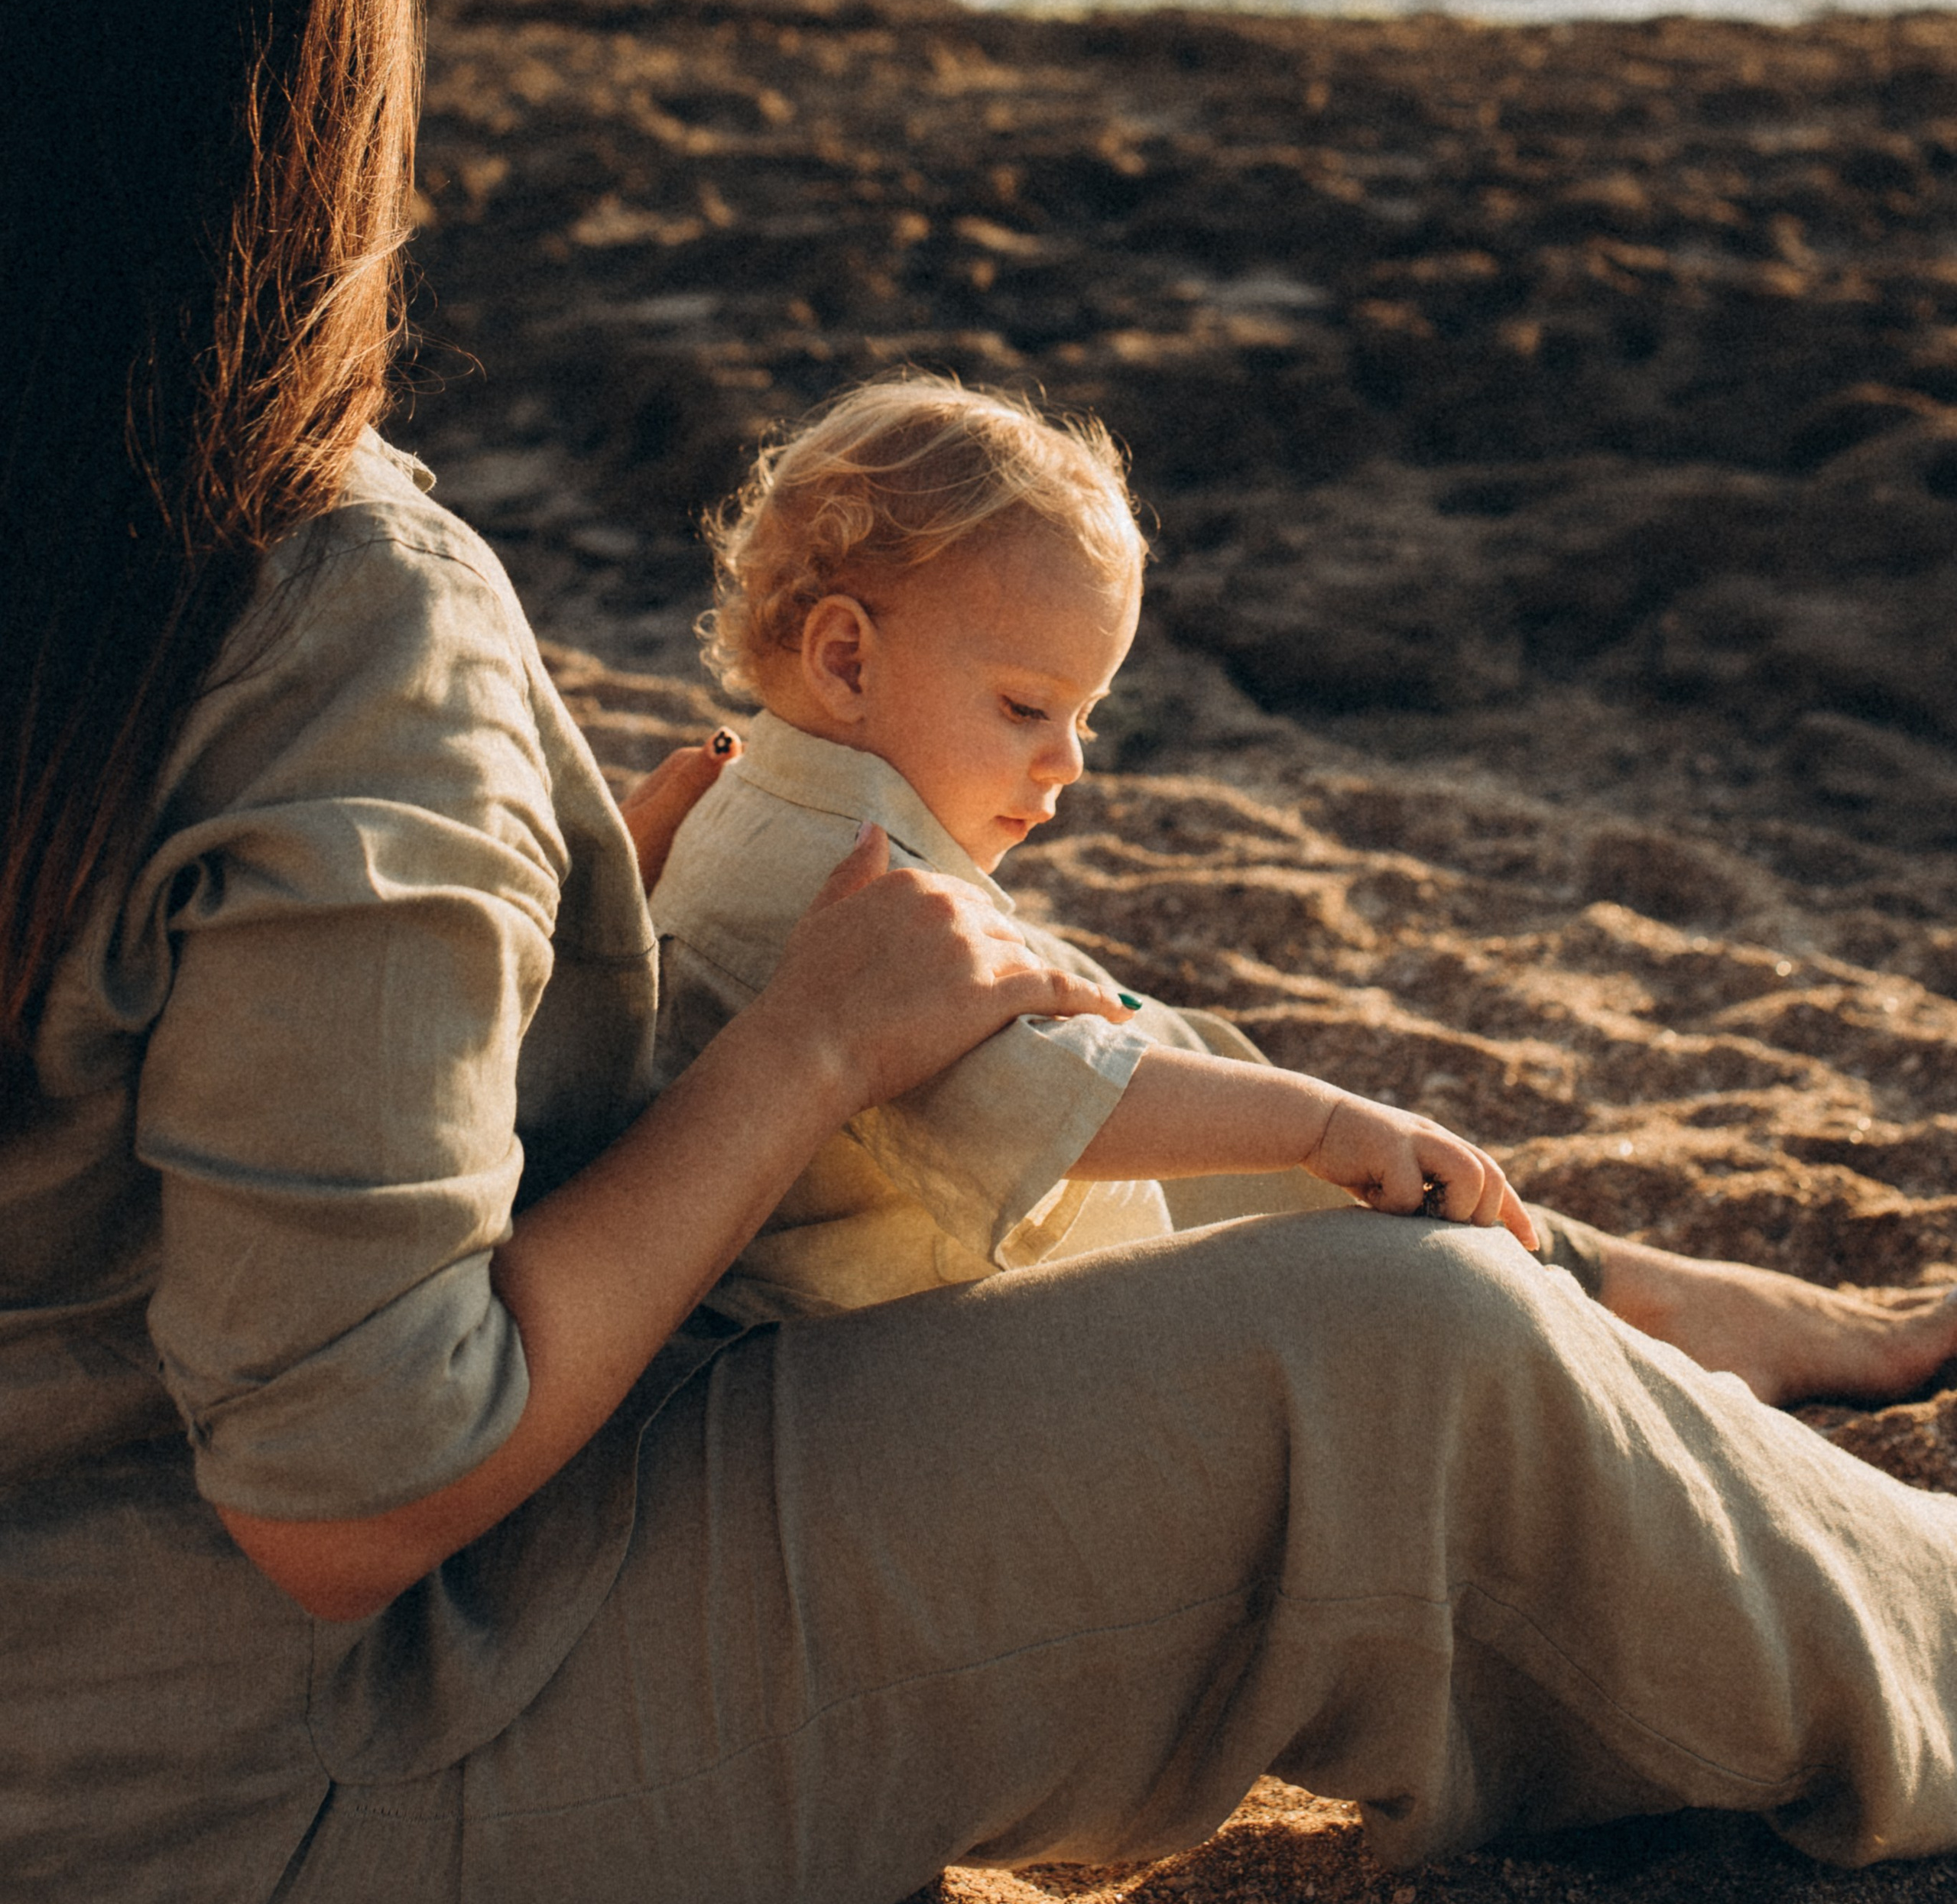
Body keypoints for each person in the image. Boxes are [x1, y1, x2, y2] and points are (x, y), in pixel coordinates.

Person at [6, 0, 1957, 1904]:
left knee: (1117, 1055)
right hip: (267, 1787)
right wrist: (795, 1053)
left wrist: (554, 950)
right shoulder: (317, 585)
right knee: (1400, 1367)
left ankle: (1685, 1348)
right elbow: (353, 1486)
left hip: (80, 1693)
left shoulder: (109, 559)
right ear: (323, 106)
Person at [654, 377, 1957, 1403]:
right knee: (1377, 1259)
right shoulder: (842, 875)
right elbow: (1040, 1093)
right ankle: (1637, 1341)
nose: (1067, 761)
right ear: (844, 658)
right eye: (1024, 708)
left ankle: (1650, 1302)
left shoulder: (760, 803)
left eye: (1088, 714)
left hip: (912, 1310)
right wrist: (1324, 1121)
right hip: (888, 1385)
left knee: (1185, 1048)